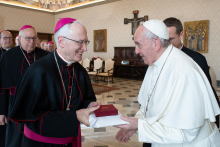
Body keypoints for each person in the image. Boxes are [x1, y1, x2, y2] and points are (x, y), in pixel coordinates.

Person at [115, 20, 220, 147]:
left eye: (139, 45)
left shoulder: (184, 71)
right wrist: (135, 124)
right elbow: (147, 106)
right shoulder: (155, 62)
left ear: (156, 44)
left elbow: (186, 133)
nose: (136, 51)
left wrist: (139, 125)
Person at [8, 18, 100, 147]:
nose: (85, 48)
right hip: (40, 143)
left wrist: (89, 104)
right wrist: (75, 115)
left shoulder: (79, 70)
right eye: (80, 42)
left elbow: (84, 98)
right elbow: (31, 116)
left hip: (69, 139)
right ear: (61, 41)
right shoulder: (38, 71)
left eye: (86, 42)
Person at [163, 17, 220, 127]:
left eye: (171, 39)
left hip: (188, 113)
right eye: (164, 40)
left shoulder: (198, 59)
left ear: (181, 34)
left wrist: (215, 120)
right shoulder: (157, 58)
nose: (167, 44)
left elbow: (207, 90)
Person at [0, 25, 48, 147]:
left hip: (40, 103)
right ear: (19, 39)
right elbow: (2, 87)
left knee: (38, 136)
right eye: (28, 38)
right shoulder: (8, 57)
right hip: (16, 102)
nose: (32, 42)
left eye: (34, 38)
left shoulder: (45, 55)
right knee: (16, 138)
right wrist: (2, 111)